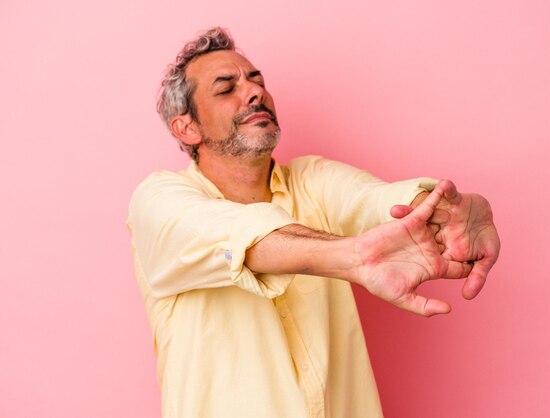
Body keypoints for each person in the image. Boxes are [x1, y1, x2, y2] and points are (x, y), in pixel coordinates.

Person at [127, 27, 500, 418]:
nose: (255, 92)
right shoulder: (157, 201)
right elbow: (236, 237)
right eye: (226, 88)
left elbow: (373, 198)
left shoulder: (313, 179)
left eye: (257, 80)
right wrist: (354, 256)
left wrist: (442, 209)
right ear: (187, 127)